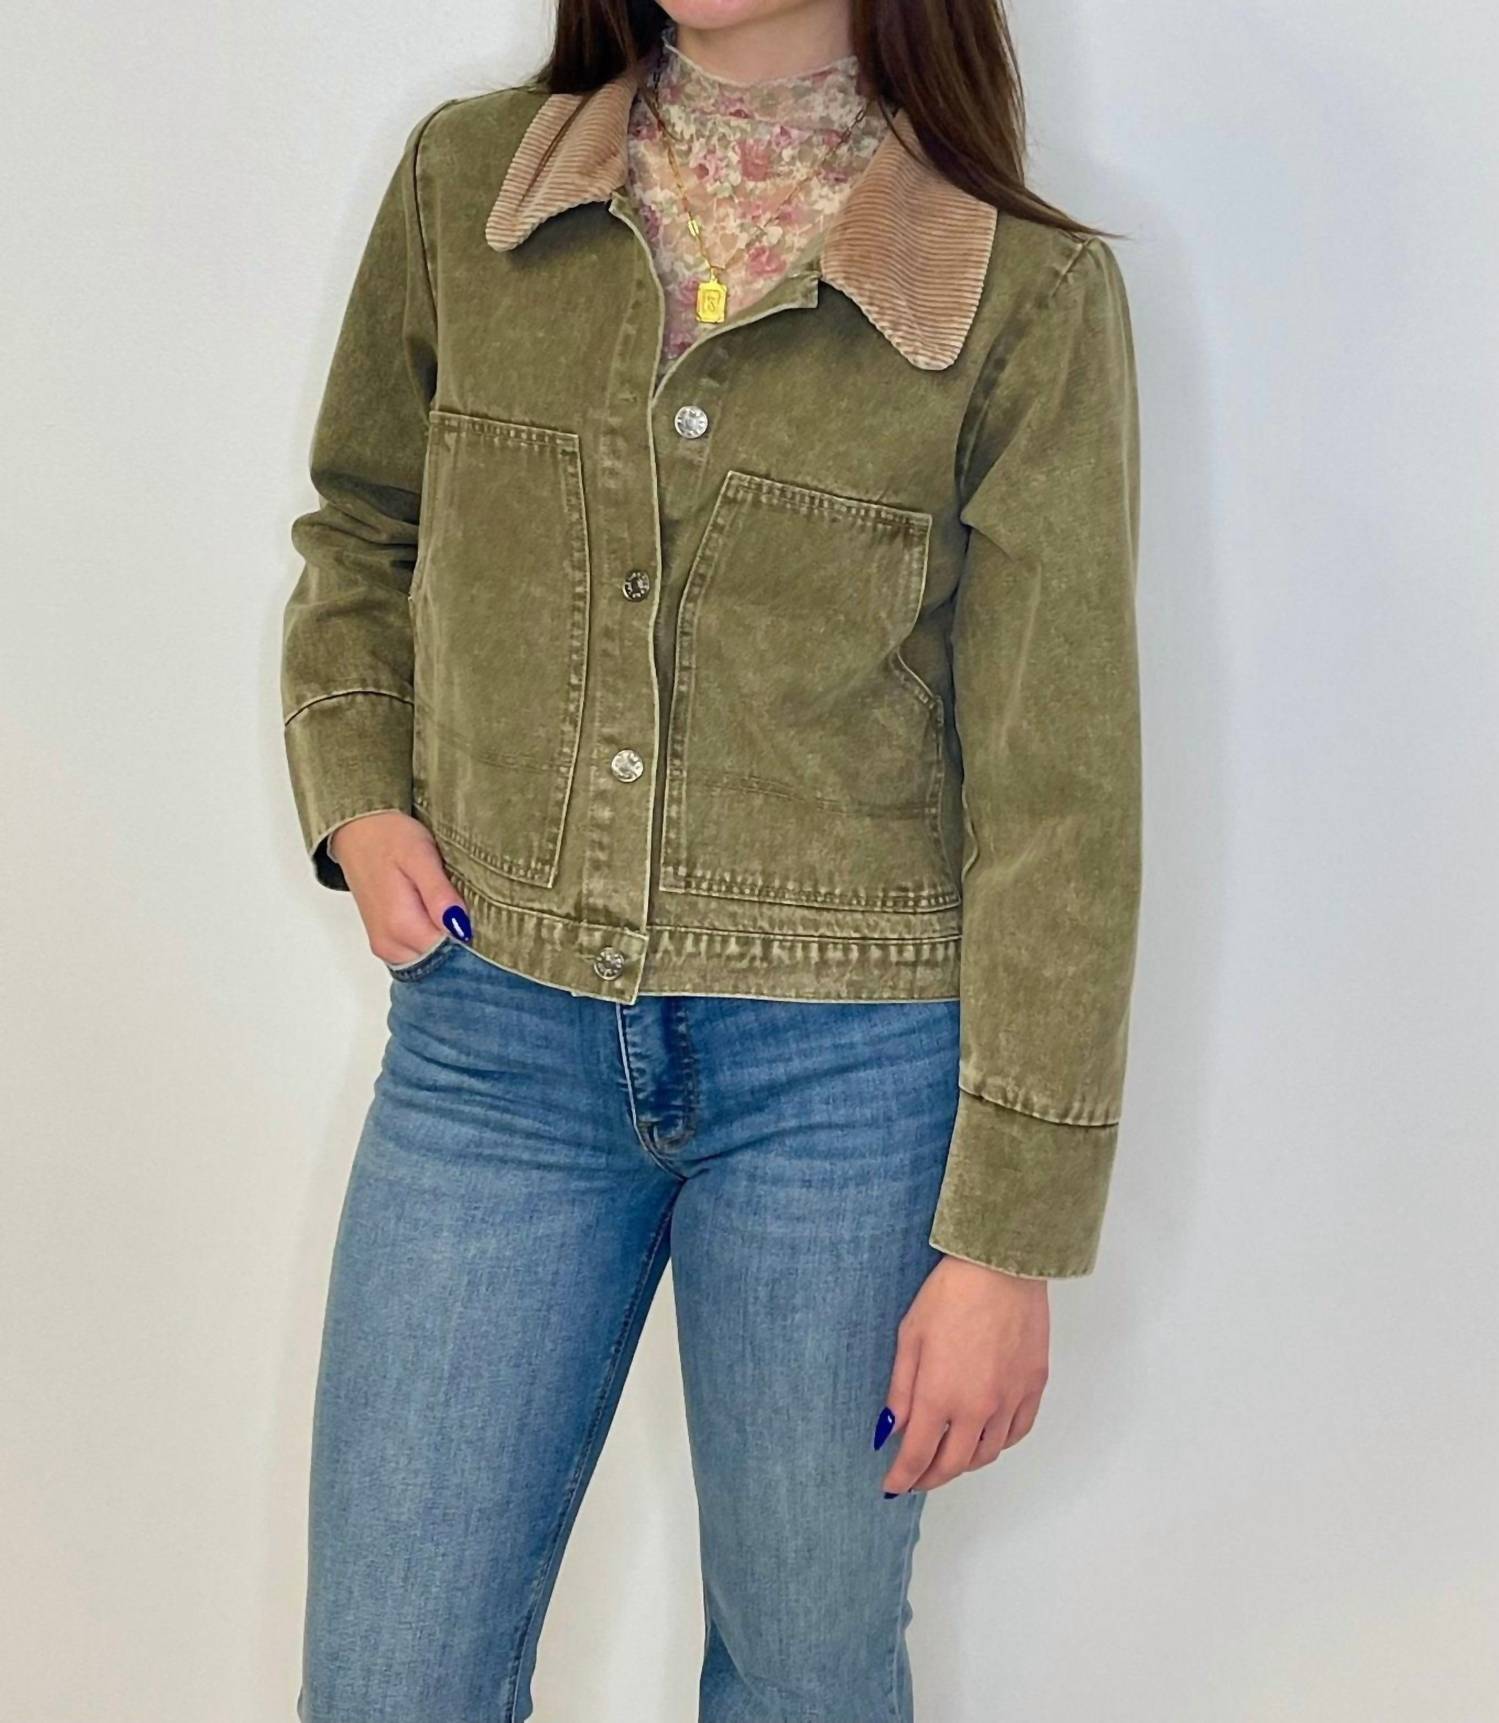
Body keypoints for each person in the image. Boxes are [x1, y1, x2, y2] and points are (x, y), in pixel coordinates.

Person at [277, 2, 1142, 1718]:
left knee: (808, 1677)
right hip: (495, 1048)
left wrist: (1007, 1243)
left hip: (851, 1086)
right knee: (386, 1680)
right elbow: (363, 527)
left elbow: (1062, 787)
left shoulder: (1023, 293)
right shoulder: (471, 185)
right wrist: (359, 795)